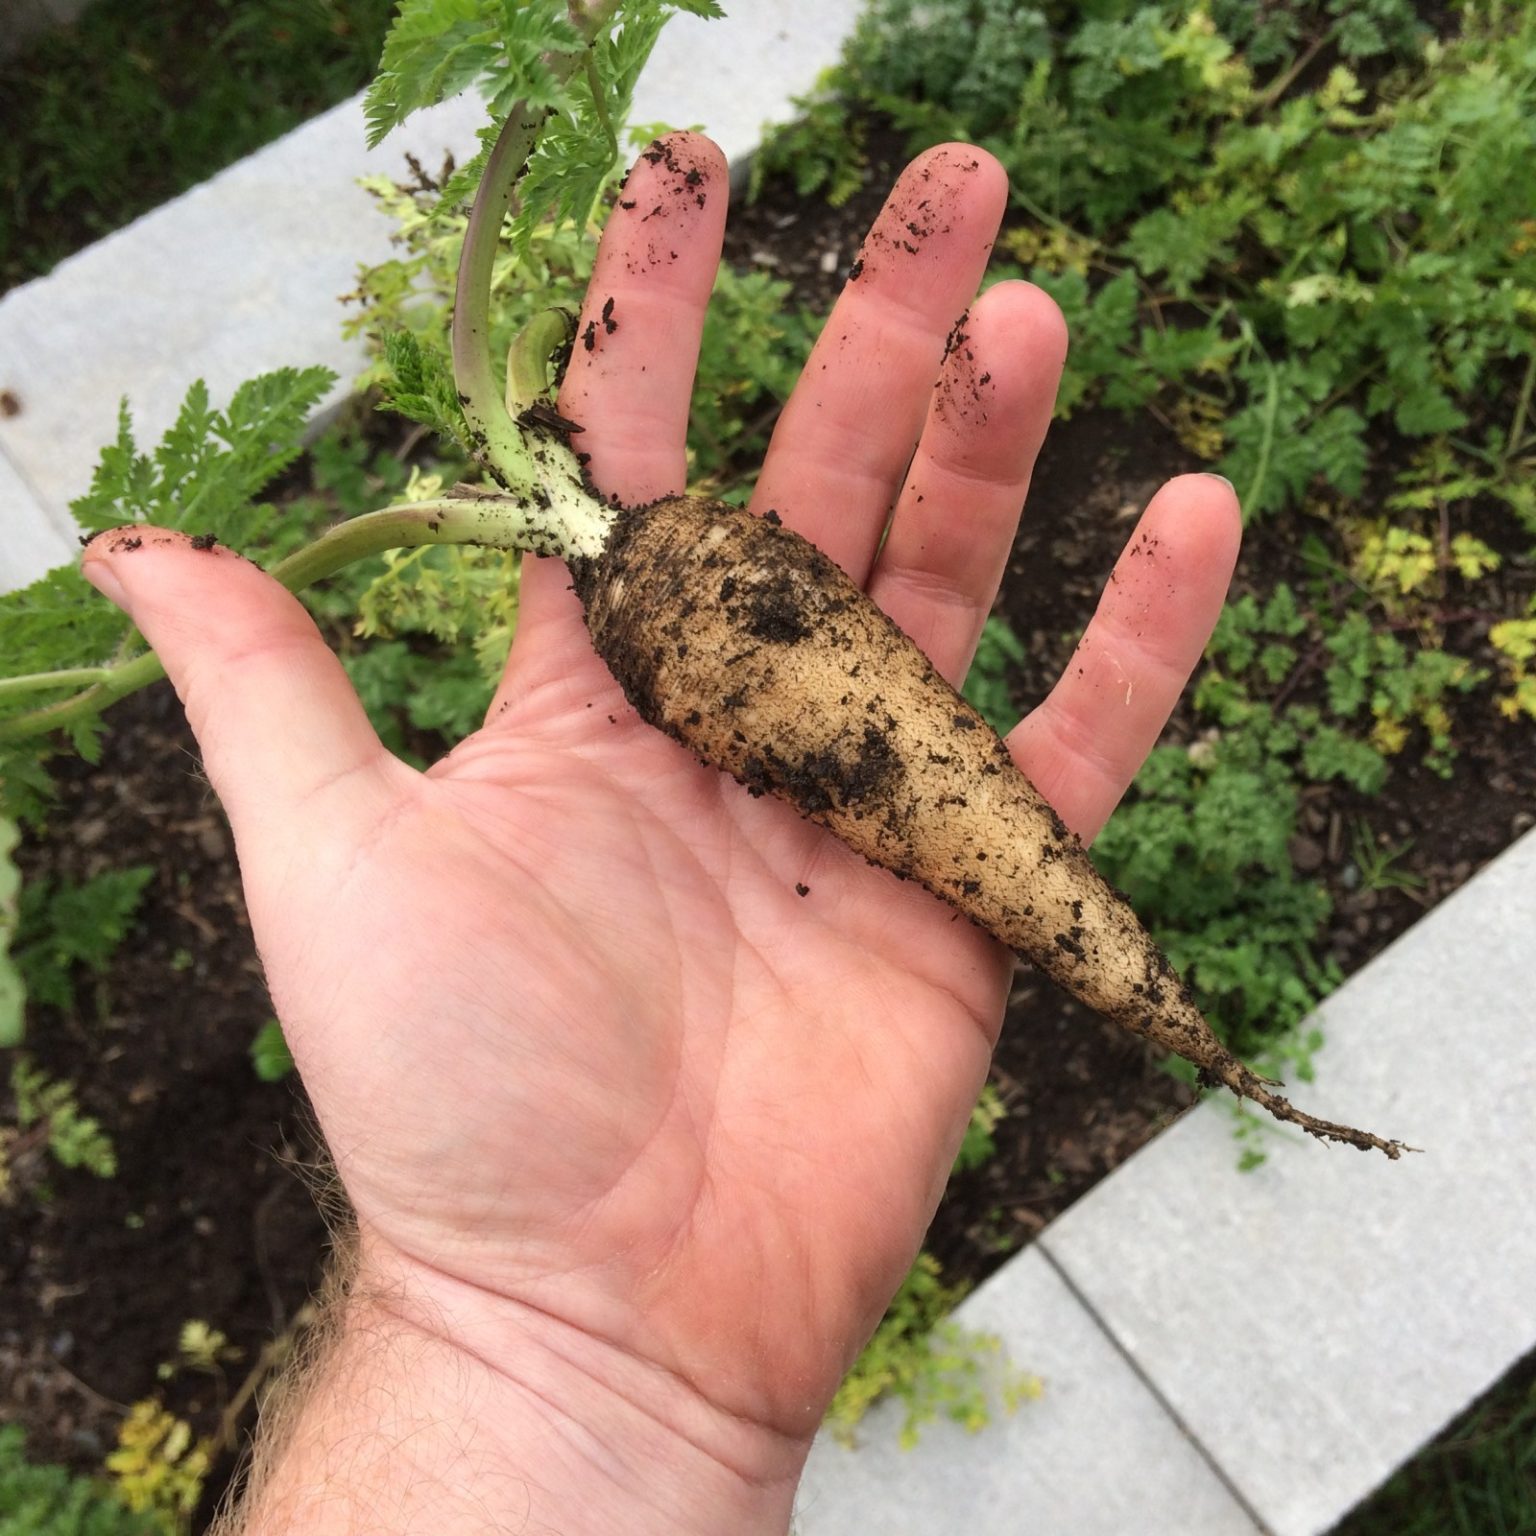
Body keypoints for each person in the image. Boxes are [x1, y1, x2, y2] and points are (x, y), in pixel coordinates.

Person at [81, 134, 1239, 1533]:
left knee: (978, 818)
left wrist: (523, 1349)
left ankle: (1221, 1050)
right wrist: (527, 1329)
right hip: (656, 591)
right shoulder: (638, 593)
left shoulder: (653, 571)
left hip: (667, 581)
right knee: (959, 813)